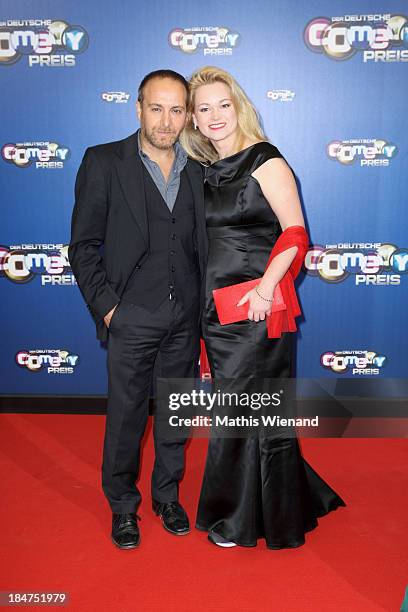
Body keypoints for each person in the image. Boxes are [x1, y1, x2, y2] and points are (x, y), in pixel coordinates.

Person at [180, 66, 345, 549]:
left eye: (222, 105)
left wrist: (267, 289)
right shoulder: (200, 172)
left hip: (258, 306)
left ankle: (239, 519)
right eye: (203, 108)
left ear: (239, 108)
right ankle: (283, 500)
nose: (214, 116)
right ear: (193, 117)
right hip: (217, 310)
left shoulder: (265, 159)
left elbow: (294, 232)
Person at [69, 70, 207, 549]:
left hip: (185, 316)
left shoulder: (199, 169)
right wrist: (109, 309)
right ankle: (123, 507)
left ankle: (166, 497)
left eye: (175, 110)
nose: (166, 121)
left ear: (186, 115)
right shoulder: (104, 162)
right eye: (156, 108)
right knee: (127, 417)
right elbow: (83, 246)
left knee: (175, 414)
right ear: (138, 108)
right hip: (130, 316)